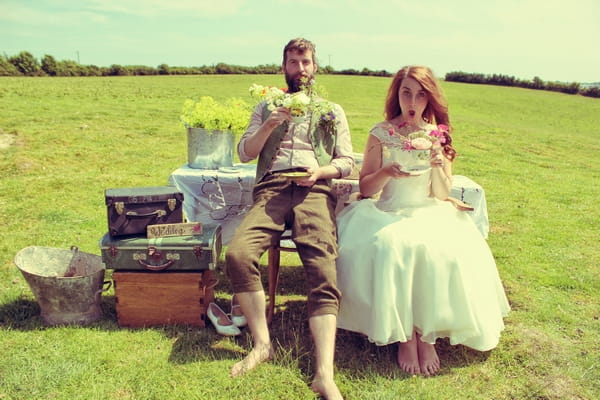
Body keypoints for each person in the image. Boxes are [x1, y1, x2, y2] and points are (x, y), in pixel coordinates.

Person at [335, 65, 510, 376]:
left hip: (428, 210)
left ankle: (425, 334)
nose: (412, 101)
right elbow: (365, 188)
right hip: (388, 211)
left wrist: (440, 165)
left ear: (429, 99)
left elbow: (442, 194)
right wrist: (387, 171)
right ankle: (405, 336)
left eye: (420, 94)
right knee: (391, 245)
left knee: (439, 249)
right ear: (397, 95)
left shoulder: (436, 136)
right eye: (406, 92)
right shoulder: (380, 133)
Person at [225, 38, 353, 400]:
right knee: (238, 255)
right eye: (293, 62)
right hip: (273, 187)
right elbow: (245, 152)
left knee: (322, 267)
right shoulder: (266, 105)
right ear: (283, 66)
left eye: (306, 62)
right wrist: (269, 124)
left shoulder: (331, 109)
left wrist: (321, 171)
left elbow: (347, 162)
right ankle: (262, 344)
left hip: (313, 188)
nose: (300, 68)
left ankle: (324, 374)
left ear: (316, 67)